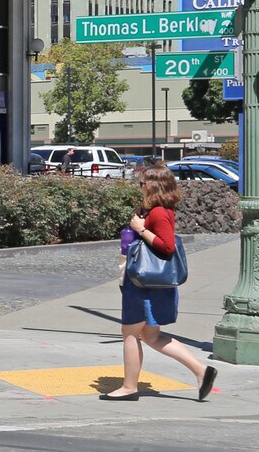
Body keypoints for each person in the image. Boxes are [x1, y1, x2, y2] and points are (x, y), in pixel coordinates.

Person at [103, 164, 216, 402]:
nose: (140, 187)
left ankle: (129, 387)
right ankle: (201, 371)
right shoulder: (157, 210)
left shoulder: (159, 213)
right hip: (150, 282)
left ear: (154, 186)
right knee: (151, 335)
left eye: (142, 183)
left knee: (130, 332)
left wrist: (140, 229)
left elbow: (167, 246)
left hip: (145, 283)